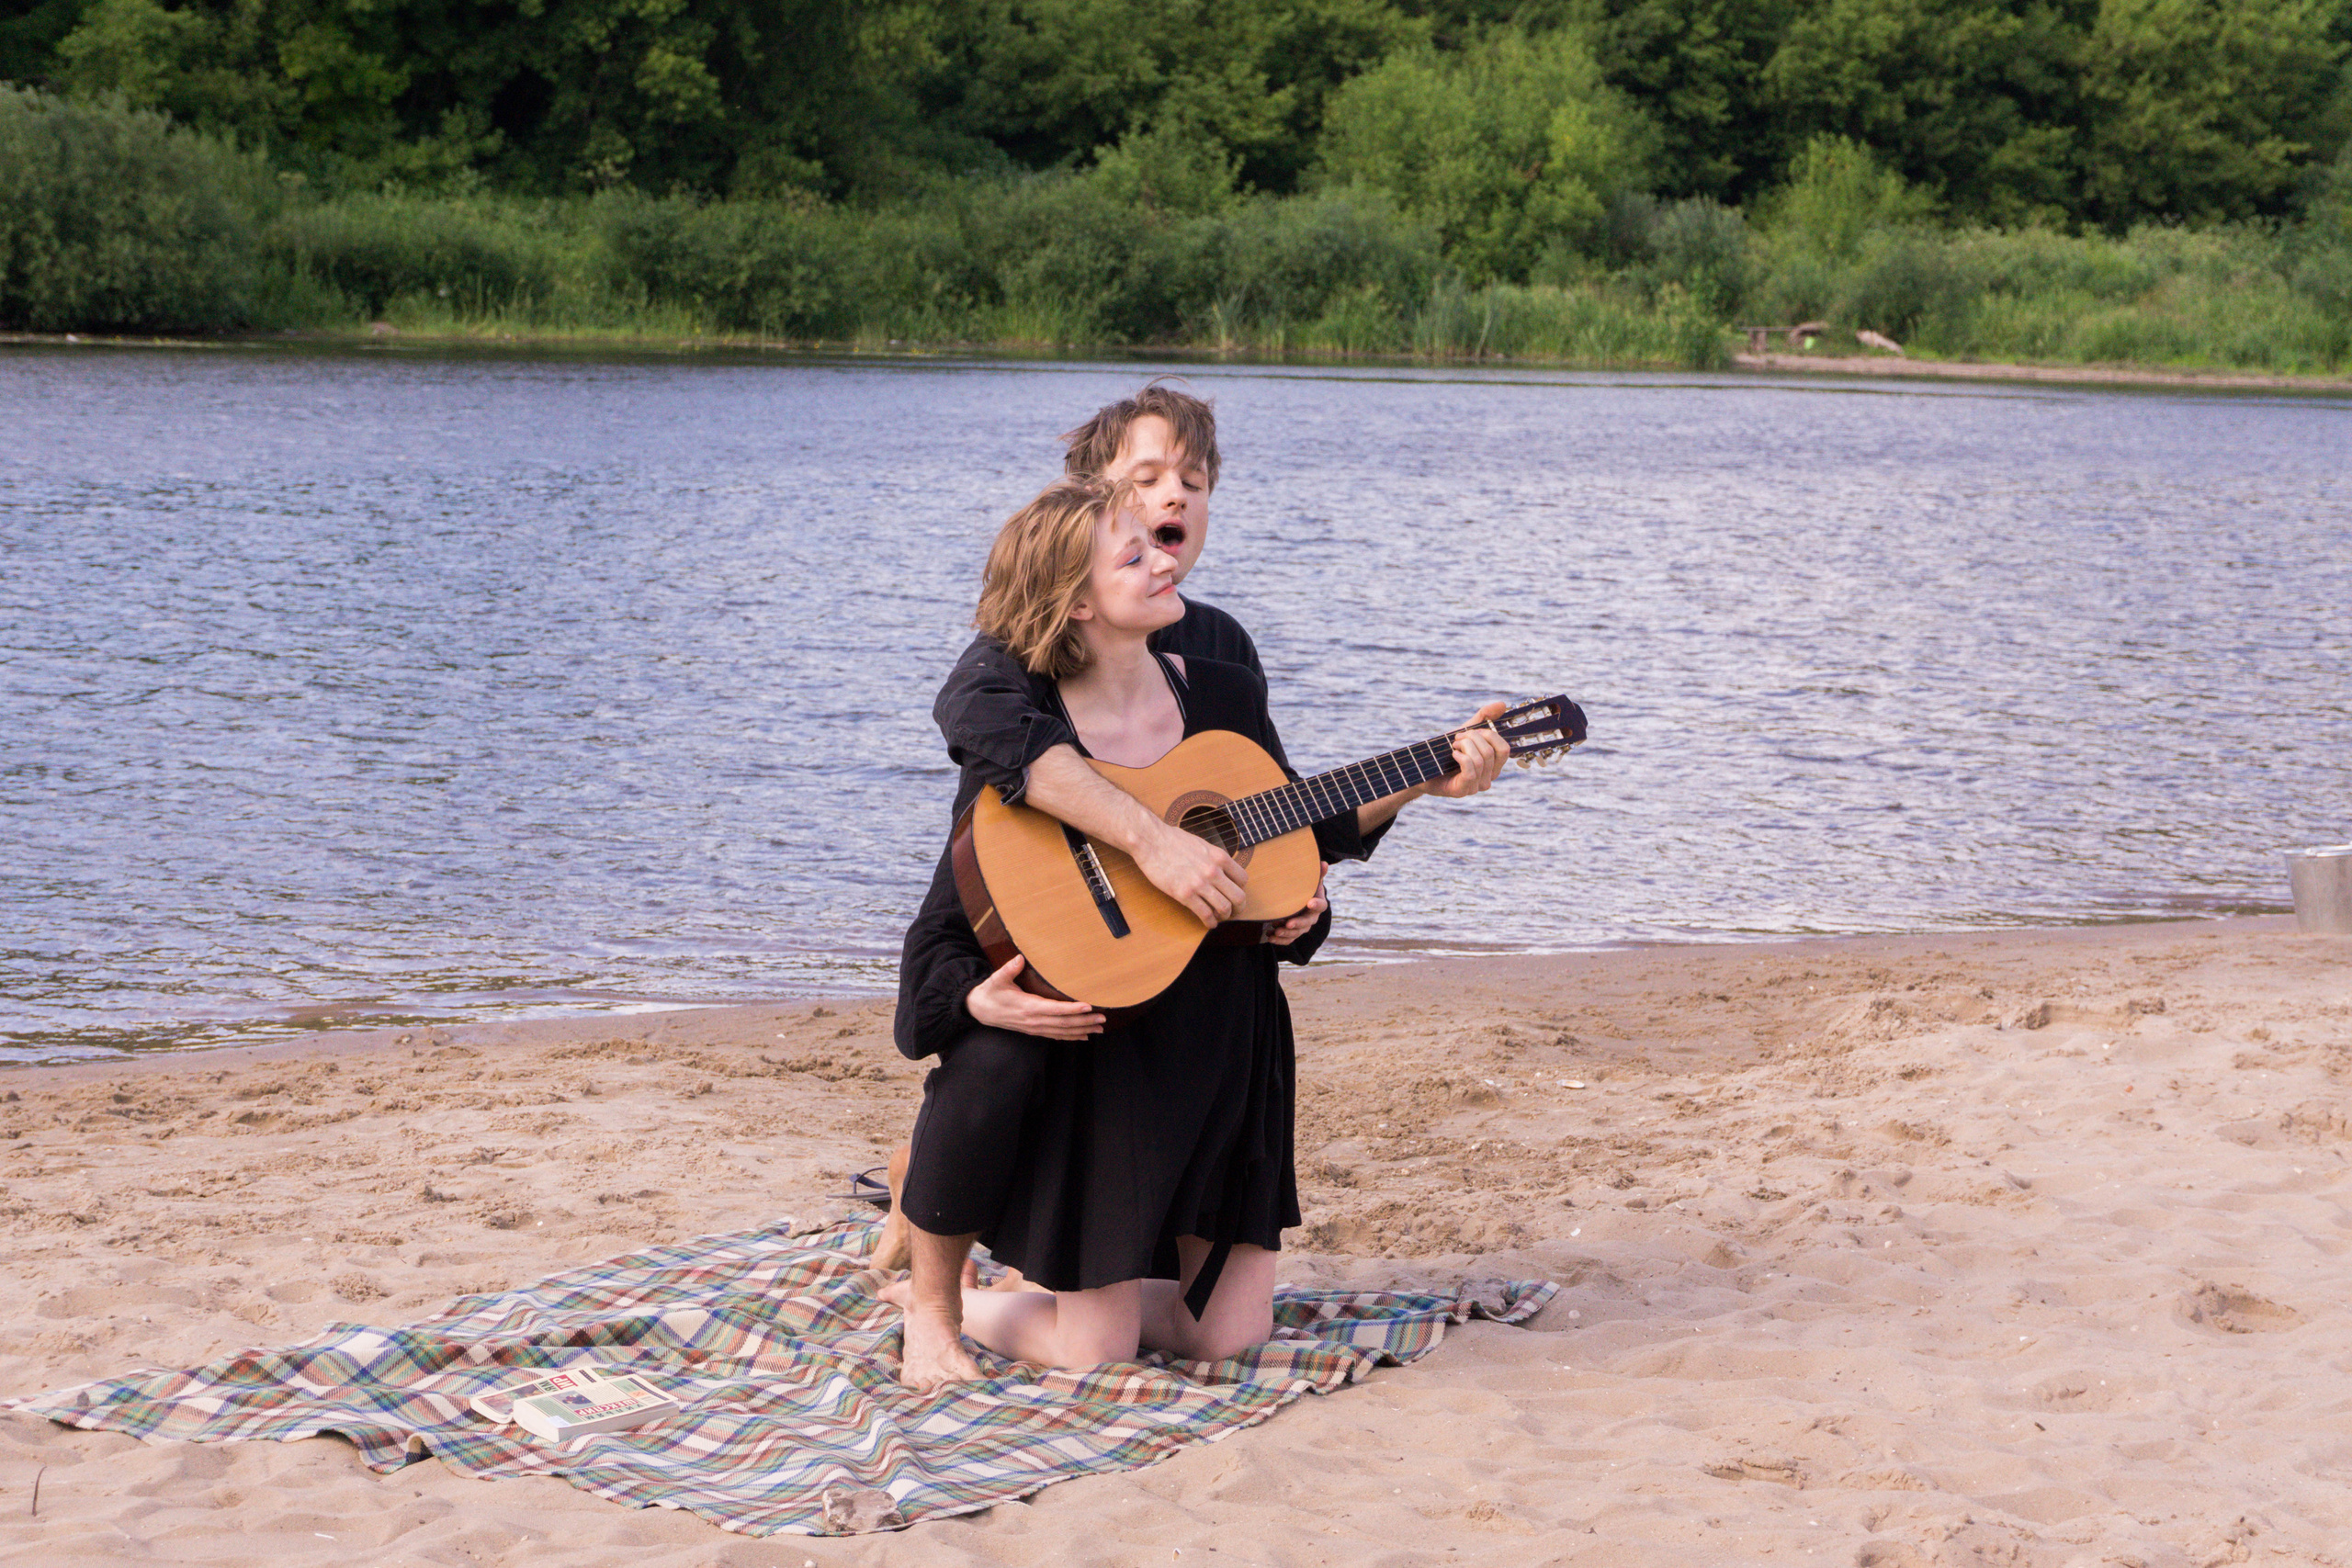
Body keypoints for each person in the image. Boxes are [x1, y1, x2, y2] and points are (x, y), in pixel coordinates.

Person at [882, 473, 1509, 1382]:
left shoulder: (1220, 690)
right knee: (1092, 1354)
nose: (1160, 557)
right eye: (1130, 554)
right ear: (1076, 606)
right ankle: (943, 1304)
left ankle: (1075, 1281)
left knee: (1227, 1341)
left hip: (1217, 1029)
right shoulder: (1020, 725)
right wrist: (1150, 848)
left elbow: (1290, 825)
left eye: (1157, 540)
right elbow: (958, 918)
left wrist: (1424, 781)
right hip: (1110, 1040)